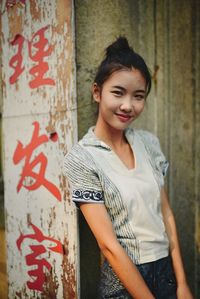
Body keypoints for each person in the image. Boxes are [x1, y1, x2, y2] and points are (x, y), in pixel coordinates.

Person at [63, 37, 193, 299]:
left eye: (138, 96)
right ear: (97, 92)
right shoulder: (82, 158)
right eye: (118, 92)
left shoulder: (149, 143)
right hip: (123, 283)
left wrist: (182, 283)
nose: (128, 106)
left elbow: (165, 214)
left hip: (166, 273)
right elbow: (108, 246)